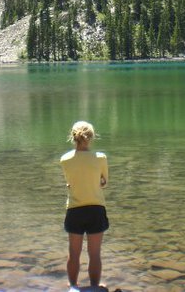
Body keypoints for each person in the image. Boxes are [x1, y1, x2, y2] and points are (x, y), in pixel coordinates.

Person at [60, 121, 109, 291]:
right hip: (96, 209)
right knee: (94, 253)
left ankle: (73, 286)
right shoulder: (101, 158)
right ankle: (95, 287)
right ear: (92, 137)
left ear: (73, 137)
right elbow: (103, 183)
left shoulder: (65, 159)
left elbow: (69, 182)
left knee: (74, 253)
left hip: (74, 209)